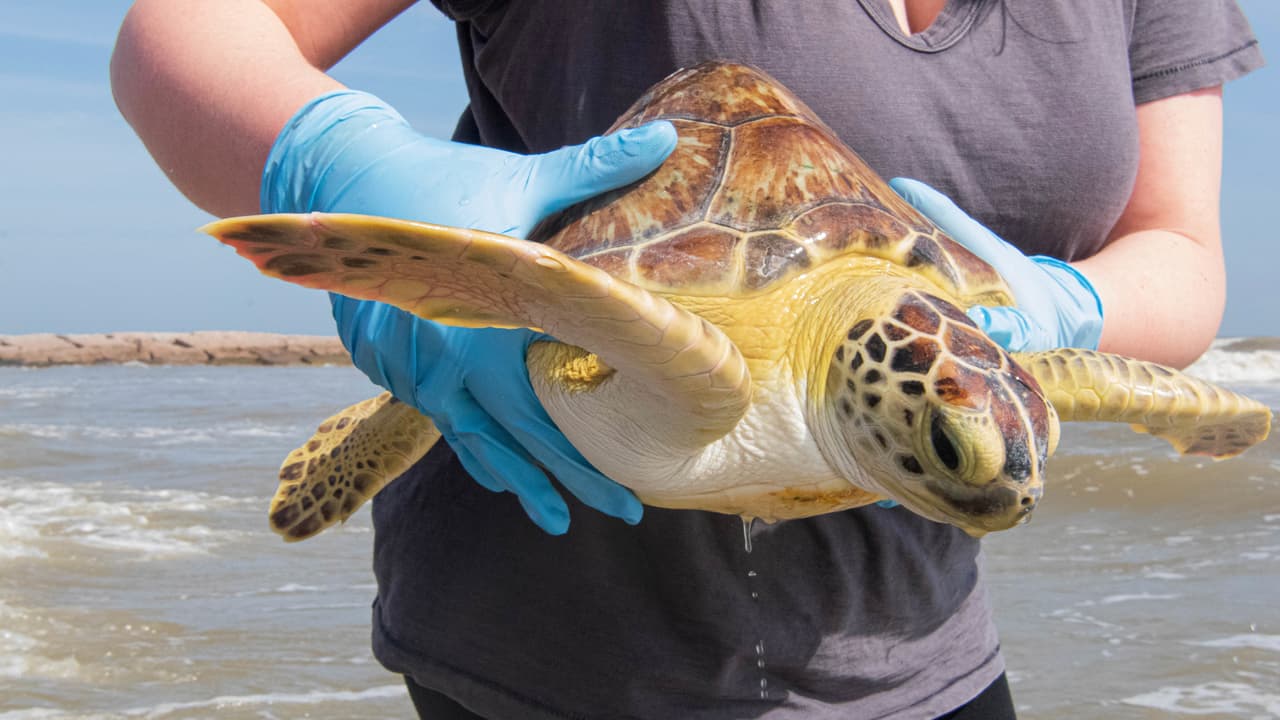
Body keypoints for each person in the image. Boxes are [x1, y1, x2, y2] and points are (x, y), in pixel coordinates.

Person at [110, 1, 1262, 717]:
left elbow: (1175, 248)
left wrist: (1065, 314)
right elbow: (185, 27)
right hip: (549, 665)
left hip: (921, 657)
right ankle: (392, 423)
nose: (1011, 499)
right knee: (555, 357)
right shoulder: (699, 361)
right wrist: (345, 170)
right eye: (966, 453)